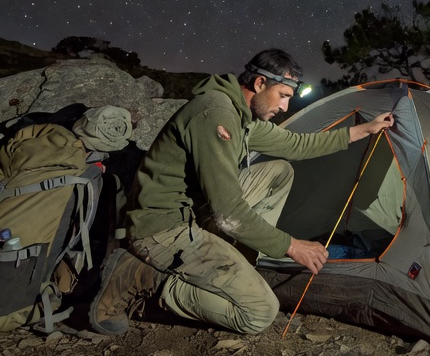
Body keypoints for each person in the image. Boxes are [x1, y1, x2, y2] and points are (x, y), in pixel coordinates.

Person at [89, 49, 393, 335]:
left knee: (280, 171)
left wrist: (364, 130)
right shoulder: (216, 114)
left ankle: (235, 259)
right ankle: (145, 277)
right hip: (163, 228)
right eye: (283, 96)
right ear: (260, 83)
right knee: (259, 313)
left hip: (196, 212)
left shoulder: (241, 115)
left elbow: (296, 145)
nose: (285, 107)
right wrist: (291, 246)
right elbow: (229, 213)